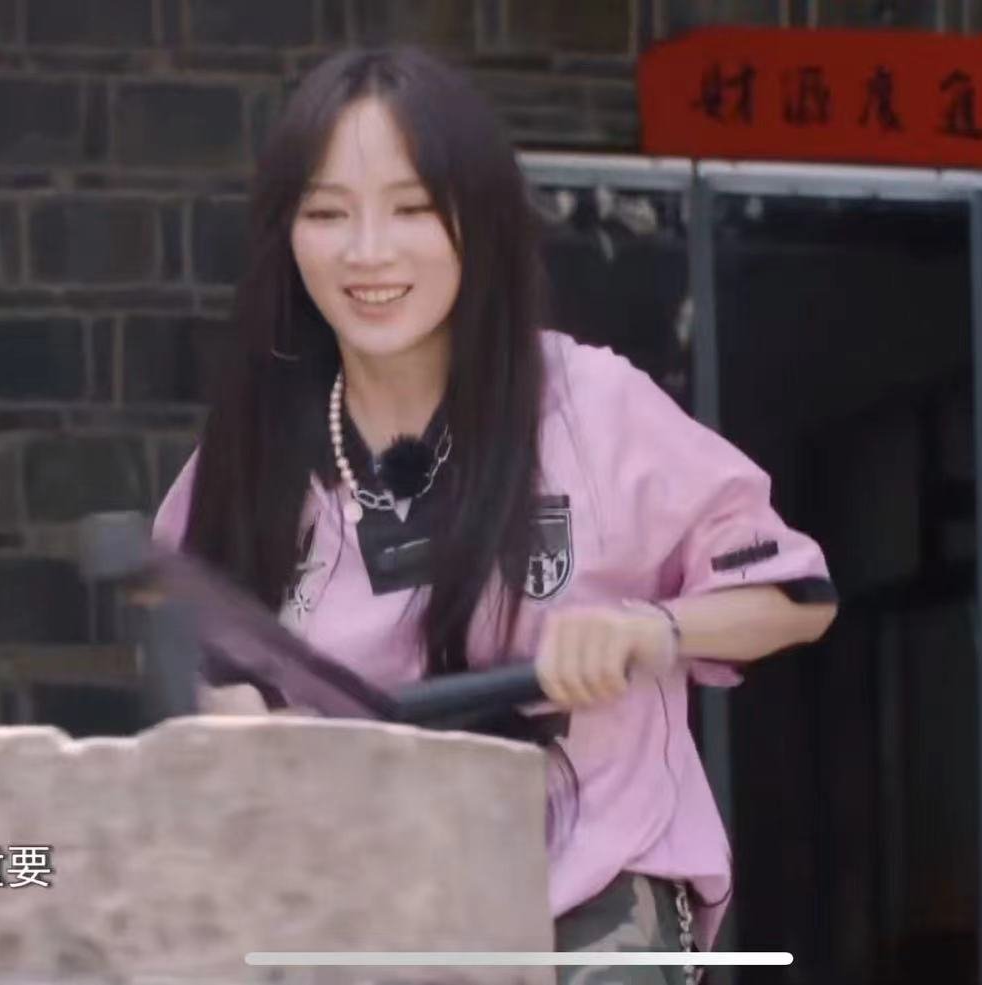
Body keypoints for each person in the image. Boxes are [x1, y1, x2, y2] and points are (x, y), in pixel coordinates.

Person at [149, 47, 838, 981]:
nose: (367, 251)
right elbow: (187, 650)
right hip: (359, 915)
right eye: (327, 213)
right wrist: (223, 715)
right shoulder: (253, 451)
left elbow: (797, 595)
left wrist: (650, 629)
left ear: (476, 219)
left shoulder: (587, 405)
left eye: (410, 209)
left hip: (586, 890)